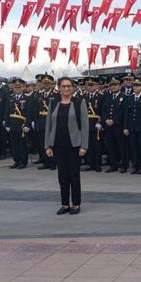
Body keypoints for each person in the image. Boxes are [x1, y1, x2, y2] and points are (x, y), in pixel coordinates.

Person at [44, 77, 88, 214]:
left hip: (74, 144)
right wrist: (48, 145)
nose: (67, 89)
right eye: (64, 86)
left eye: (69, 86)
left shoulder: (79, 102)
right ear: (59, 88)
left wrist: (84, 146)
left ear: (73, 88)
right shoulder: (54, 102)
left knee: (74, 175)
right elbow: (48, 125)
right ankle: (64, 204)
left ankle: (75, 204)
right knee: (62, 175)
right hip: (58, 144)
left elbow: (85, 126)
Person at [122, 80, 141, 174]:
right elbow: (126, 114)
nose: (136, 88)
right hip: (132, 127)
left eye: (138, 86)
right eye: (134, 86)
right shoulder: (129, 98)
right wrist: (125, 127)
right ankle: (135, 165)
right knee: (133, 148)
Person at [4, 77, 30, 169]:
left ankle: (23, 162)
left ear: (23, 88)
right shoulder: (10, 98)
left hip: (22, 124)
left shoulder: (27, 98)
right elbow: (7, 112)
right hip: (12, 124)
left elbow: (29, 113)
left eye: (19, 87)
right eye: (15, 87)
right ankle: (16, 160)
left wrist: (27, 125)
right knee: (14, 144)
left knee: (22, 145)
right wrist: (6, 123)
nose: (17, 89)